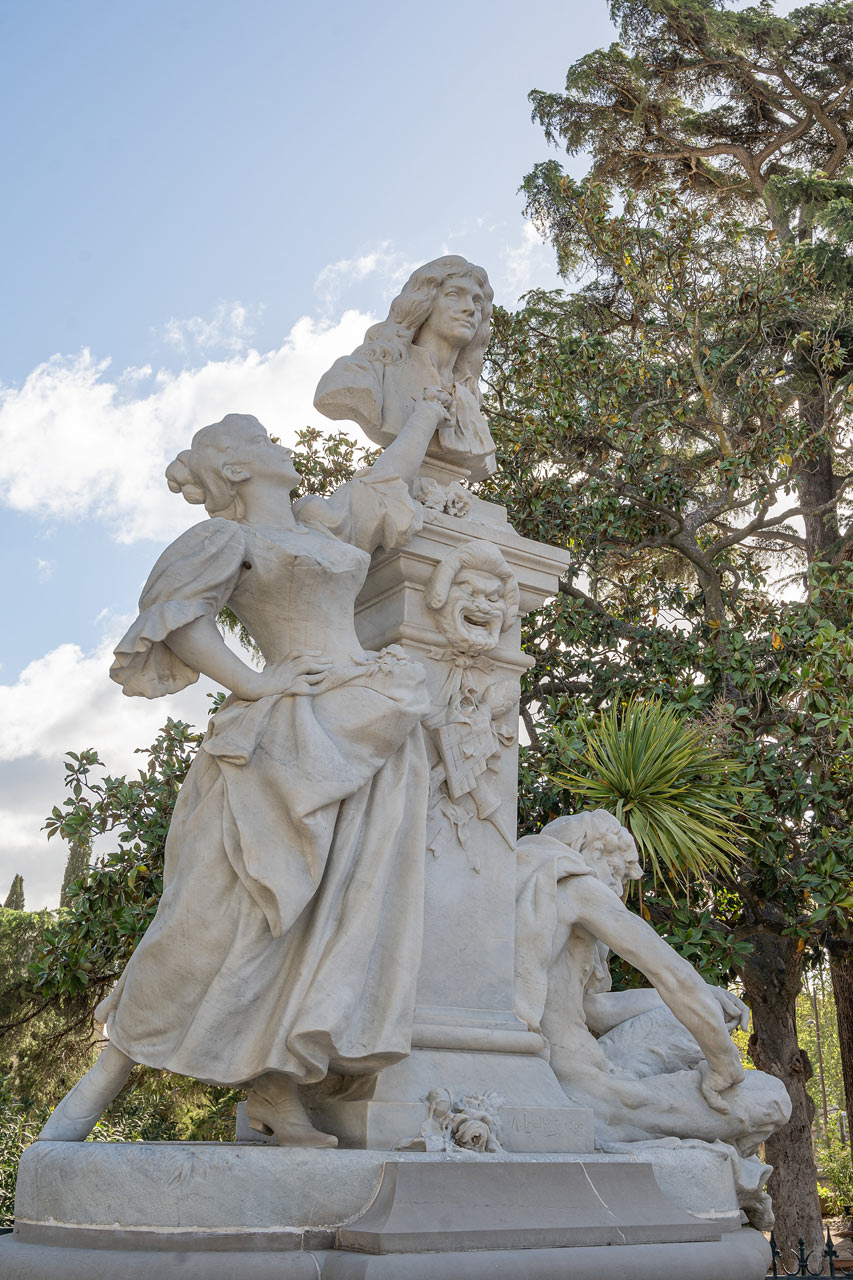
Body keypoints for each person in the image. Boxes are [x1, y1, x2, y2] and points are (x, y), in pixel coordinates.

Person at [39, 400, 448, 1148]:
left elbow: (384, 480)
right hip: (288, 734)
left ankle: (276, 1090)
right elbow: (178, 618)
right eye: (259, 439)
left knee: (328, 916)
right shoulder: (229, 538)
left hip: (368, 723)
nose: (278, 443)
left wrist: (424, 412)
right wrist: (254, 682)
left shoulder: (322, 524)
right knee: (221, 914)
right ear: (234, 467)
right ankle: (109, 1070)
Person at [515, 810, 791, 1225]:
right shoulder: (575, 886)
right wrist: (723, 1065)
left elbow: (594, 1009)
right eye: (615, 871)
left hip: (578, 1069)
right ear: (591, 852)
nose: (618, 887)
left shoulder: (526, 882)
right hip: (595, 1098)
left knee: (686, 1016)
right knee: (772, 1097)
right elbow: (673, 976)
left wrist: (710, 996)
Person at [314, 255, 496, 480]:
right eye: (453, 295)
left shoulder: (469, 397)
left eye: (477, 302)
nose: (469, 309)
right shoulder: (370, 369)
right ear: (424, 303)